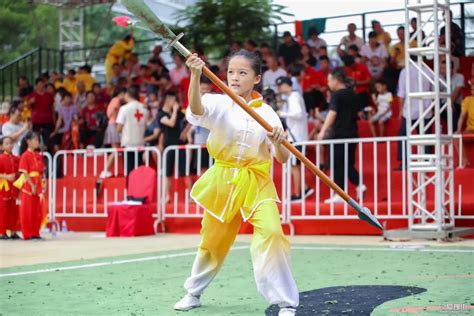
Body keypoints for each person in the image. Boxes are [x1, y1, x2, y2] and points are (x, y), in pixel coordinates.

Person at [175, 50, 299, 316]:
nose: (235, 77)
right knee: (212, 242)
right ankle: (193, 292)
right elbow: (196, 111)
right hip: (224, 181)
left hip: (257, 181)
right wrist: (195, 76)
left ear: (256, 78)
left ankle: (286, 302)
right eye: (231, 71)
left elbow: (284, 158)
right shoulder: (217, 102)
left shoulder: (268, 114)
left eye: (243, 73)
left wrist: (278, 142)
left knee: (273, 233)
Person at [317, 68, 366, 203]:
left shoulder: (337, 95)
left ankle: (340, 193)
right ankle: (359, 185)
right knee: (348, 163)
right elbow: (360, 114)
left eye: (329, 80)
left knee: (336, 164)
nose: (328, 83)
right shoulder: (353, 94)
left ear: (335, 80)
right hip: (352, 133)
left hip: (338, 134)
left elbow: (332, 113)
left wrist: (322, 131)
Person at [276, 76, 314, 202]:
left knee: (294, 167)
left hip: (297, 137)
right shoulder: (292, 97)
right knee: (294, 166)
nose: (280, 88)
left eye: (281, 85)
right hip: (296, 136)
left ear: (287, 85)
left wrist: (283, 114)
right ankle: (304, 188)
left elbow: (298, 114)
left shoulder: (294, 97)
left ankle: (299, 193)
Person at [396, 58, 433, 170]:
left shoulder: (405, 71)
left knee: (403, 136)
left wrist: (400, 110)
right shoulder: (429, 71)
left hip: (410, 109)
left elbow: (402, 92)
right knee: (426, 136)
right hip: (426, 108)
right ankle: (427, 161)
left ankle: (404, 163)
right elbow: (433, 89)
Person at [158, 91, 187, 203]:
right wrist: (175, 110)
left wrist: (185, 132)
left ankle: (190, 196)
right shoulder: (161, 114)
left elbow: (189, 120)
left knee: (185, 171)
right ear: (168, 101)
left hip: (180, 145)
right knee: (167, 173)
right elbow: (171, 123)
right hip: (168, 145)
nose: (176, 104)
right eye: (174, 101)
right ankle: (166, 196)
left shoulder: (178, 113)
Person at [15, 132, 44, 240]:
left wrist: (42, 183)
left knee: (37, 210)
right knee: (27, 210)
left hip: (38, 183)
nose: (37, 142)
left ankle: (36, 233)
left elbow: (41, 171)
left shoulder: (38, 155)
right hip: (29, 185)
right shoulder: (25, 156)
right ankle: (28, 234)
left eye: (38, 140)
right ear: (28, 141)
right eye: (35, 140)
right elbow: (24, 172)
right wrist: (31, 185)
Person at [116, 86, 149, 175]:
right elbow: (147, 125)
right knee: (139, 173)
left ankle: (130, 189)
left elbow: (118, 128)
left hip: (128, 144)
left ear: (127, 95)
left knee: (129, 173)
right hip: (141, 144)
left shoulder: (124, 108)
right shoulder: (144, 108)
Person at [0, 136, 21, 239]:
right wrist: (6, 176)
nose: (10, 145)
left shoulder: (16, 158)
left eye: (11, 143)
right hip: (3, 188)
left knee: (13, 210)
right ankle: (2, 233)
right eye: (7, 143)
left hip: (14, 188)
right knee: (3, 211)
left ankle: (12, 232)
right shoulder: (0, 158)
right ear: (2, 146)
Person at [27, 78, 55, 150]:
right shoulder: (32, 95)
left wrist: (54, 119)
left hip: (48, 120)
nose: (40, 86)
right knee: (36, 138)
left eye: (42, 84)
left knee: (48, 139)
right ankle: (37, 153)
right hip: (36, 121)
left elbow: (52, 108)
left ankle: (49, 154)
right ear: (36, 86)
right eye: (39, 85)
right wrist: (30, 102)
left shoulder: (49, 95)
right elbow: (27, 107)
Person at [455, 82, 474, 168]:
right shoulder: (468, 100)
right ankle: (464, 161)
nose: (472, 91)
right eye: (472, 89)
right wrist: (459, 130)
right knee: (456, 137)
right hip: (470, 130)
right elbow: (462, 116)